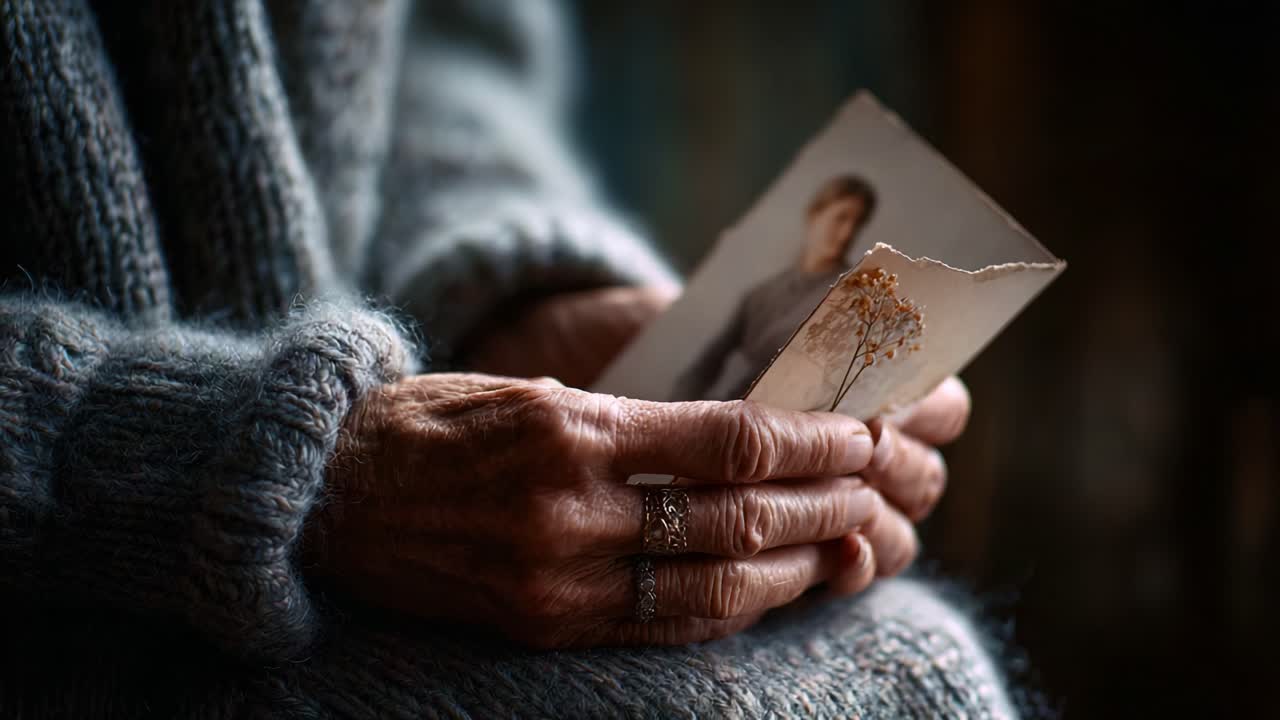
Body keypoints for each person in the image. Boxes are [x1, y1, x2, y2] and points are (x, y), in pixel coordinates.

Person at [0, 1, 1017, 717]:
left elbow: (445, 50)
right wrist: (218, 466)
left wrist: (514, 302)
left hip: (350, 534)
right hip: (57, 607)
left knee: (905, 653)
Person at [673, 175, 878, 401]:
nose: (847, 233)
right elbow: (706, 364)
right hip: (724, 411)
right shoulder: (761, 294)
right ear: (814, 214)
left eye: (857, 224)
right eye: (841, 218)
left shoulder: (851, 299)